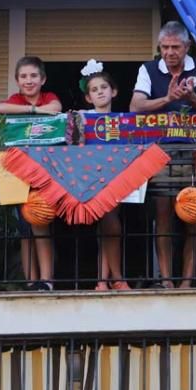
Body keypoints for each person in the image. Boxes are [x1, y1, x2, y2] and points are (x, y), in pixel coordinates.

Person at [130, 21, 196, 289]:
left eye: (175, 47)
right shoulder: (148, 69)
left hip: (194, 150)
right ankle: (166, 281)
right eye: (164, 47)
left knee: (195, 214)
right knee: (163, 215)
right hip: (160, 151)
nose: (169, 53)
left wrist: (190, 97)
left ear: (186, 47)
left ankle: (187, 282)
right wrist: (167, 99)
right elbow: (136, 106)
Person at [0, 56, 62, 291]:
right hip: (19, 171)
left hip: (43, 171)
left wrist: (37, 108)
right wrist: (33, 109)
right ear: (17, 80)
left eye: (33, 76)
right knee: (24, 229)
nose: (29, 80)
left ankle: (47, 280)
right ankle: (31, 281)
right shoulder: (16, 99)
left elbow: (55, 109)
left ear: (43, 79)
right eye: (23, 76)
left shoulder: (49, 97)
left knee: (40, 224)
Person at [80, 63, 131, 292]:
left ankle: (103, 280)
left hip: (117, 178)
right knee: (110, 226)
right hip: (92, 179)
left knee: (109, 227)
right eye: (94, 89)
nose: (100, 92)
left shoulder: (124, 120)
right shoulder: (82, 118)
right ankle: (117, 278)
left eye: (104, 87)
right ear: (88, 97)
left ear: (114, 91)